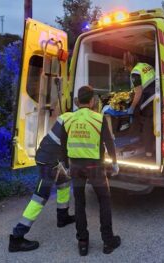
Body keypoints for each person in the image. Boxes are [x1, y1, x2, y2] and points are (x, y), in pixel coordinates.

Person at [8, 112, 75, 252]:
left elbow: (64, 145)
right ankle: (16, 238)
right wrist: (69, 166)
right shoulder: (78, 121)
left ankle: (62, 217)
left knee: (64, 183)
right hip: (48, 160)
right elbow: (66, 147)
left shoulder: (68, 116)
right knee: (40, 197)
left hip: (52, 157)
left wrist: (66, 166)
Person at [66, 85, 120, 256]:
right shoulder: (98, 118)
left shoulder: (68, 119)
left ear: (78, 101)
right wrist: (114, 163)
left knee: (79, 203)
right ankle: (108, 242)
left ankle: (82, 243)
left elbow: (62, 143)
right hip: (94, 166)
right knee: (104, 200)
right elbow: (108, 142)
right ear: (91, 101)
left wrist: (65, 164)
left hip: (75, 166)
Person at [123, 51, 155, 158]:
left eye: (125, 67)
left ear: (128, 65)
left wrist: (132, 107)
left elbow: (138, 92)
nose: (126, 69)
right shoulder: (146, 66)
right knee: (155, 124)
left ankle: (148, 153)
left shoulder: (135, 72)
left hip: (148, 100)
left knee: (147, 126)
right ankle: (152, 147)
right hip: (158, 97)